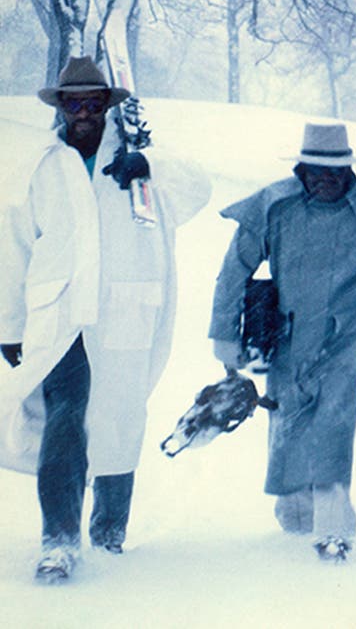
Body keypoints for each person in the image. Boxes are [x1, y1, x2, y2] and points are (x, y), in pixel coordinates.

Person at [0, 59, 206, 582]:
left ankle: (109, 533)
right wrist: (10, 324)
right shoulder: (44, 166)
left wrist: (150, 164)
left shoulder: (138, 161)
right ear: (61, 108)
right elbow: (15, 246)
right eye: (74, 103)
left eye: (95, 102)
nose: (85, 113)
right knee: (64, 422)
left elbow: (196, 189)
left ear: (108, 107)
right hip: (60, 314)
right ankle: (59, 540)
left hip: (123, 312)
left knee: (118, 420)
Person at [207, 122, 356, 561]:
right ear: (301, 170)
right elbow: (234, 270)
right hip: (286, 334)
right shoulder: (274, 206)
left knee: (334, 424)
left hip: (346, 338)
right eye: (316, 171)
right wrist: (225, 334)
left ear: (349, 173)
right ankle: (297, 510)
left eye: (335, 172)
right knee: (288, 419)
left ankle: (333, 527)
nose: (326, 180)